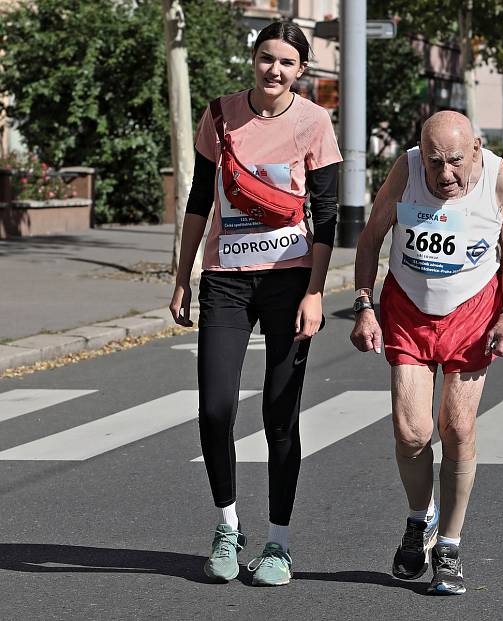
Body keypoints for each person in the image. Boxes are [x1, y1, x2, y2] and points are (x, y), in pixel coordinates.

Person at [168, 21, 342, 587]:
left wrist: (315, 293)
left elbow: (327, 215)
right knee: (215, 408)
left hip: (288, 282)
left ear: (301, 70)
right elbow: (199, 199)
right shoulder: (220, 115)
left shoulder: (315, 122)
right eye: (267, 58)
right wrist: (183, 275)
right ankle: (226, 526)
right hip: (226, 280)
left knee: (279, 413)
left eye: (286, 63)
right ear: (254, 59)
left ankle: (278, 541)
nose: (275, 70)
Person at [350, 111, 503, 595]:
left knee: (458, 427)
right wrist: (365, 306)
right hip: (408, 304)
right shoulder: (405, 172)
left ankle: (448, 545)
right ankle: (418, 517)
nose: (445, 175)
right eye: (434, 164)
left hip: (472, 309)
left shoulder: (499, 177)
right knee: (411, 433)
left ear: (476, 149)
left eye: (454, 162)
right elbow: (370, 239)